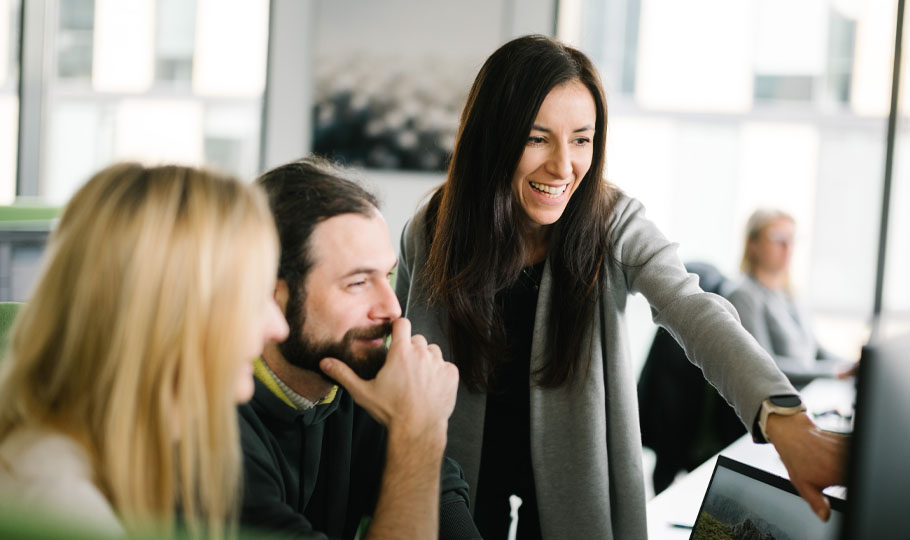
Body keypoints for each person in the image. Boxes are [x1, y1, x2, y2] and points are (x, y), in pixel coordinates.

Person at [395, 35, 846, 539]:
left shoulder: (612, 221)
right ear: (492, 135)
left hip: (575, 469)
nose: (563, 166)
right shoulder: (433, 229)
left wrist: (786, 421)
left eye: (581, 139)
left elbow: (692, 306)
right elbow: (404, 370)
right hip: (461, 467)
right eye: (537, 138)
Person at [0, 163, 289, 538]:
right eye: (254, 298)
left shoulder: (71, 467)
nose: (278, 328)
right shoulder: (63, 510)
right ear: (173, 316)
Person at [237, 157, 480, 540]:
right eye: (357, 283)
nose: (392, 308)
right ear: (271, 294)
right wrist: (420, 431)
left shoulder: (363, 385)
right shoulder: (210, 429)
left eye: (387, 275)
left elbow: (444, 498)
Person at [727, 209, 855, 387]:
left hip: (807, 391)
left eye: (792, 239)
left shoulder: (790, 294)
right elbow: (763, 365)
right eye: (778, 239)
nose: (788, 248)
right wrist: (833, 372)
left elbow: (815, 350)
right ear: (752, 244)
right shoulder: (743, 295)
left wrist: (852, 366)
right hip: (780, 398)